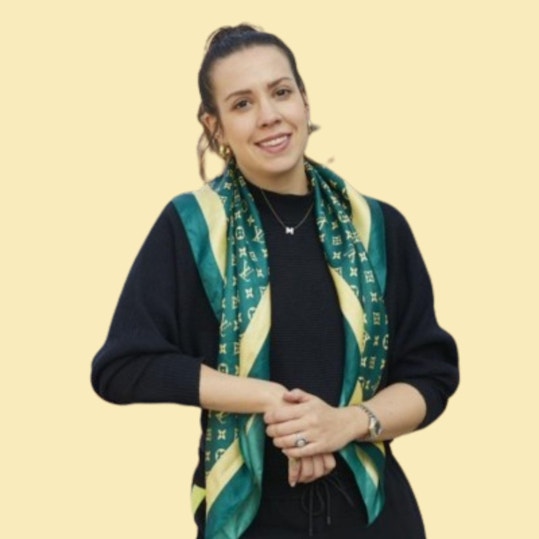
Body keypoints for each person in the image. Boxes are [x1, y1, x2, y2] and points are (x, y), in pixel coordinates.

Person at [91, 24, 459, 539]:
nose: (269, 115)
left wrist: (345, 424)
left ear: (305, 100)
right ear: (215, 126)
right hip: (250, 520)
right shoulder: (193, 229)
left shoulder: (377, 228)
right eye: (242, 104)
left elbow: (431, 375)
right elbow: (122, 368)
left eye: (281, 92)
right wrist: (268, 400)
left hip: (376, 518)